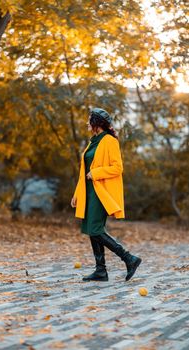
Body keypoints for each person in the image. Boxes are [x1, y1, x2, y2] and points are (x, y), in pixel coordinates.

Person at [71, 107, 142, 282]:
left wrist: (96, 173)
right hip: (88, 192)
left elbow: (118, 168)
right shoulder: (92, 141)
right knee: (91, 230)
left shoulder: (110, 141)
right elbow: (84, 171)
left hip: (101, 192)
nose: (87, 123)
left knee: (95, 229)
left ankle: (129, 258)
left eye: (89, 120)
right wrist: (77, 194)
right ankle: (101, 271)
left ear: (96, 123)